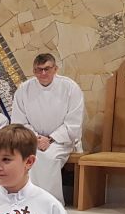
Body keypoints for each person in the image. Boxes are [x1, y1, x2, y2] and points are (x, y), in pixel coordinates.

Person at [10, 53, 84, 204]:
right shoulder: (24, 90)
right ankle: (28, 201)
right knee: (26, 157)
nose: (43, 73)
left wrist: (50, 139)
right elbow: (19, 122)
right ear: (34, 71)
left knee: (48, 157)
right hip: (32, 140)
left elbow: (73, 123)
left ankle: (50, 203)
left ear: (55, 69)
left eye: (47, 69)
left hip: (61, 141)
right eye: (39, 70)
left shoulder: (70, 88)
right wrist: (35, 138)